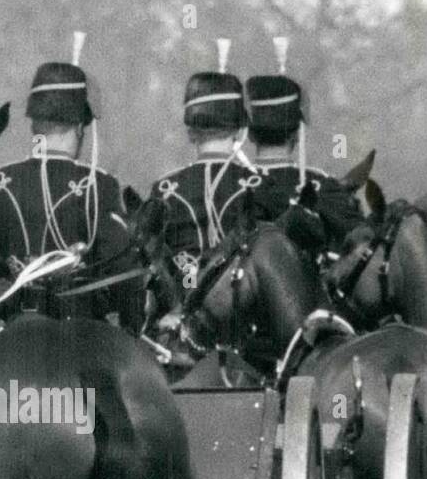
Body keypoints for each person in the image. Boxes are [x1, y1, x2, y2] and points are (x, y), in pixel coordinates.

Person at [0, 33, 143, 330]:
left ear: (34, 123)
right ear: (79, 127)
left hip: (7, 332)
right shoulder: (101, 186)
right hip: (79, 336)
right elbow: (125, 274)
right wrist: (133, 330)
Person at [146, 40, 264, 324]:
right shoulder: (261, 186)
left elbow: (153, 267)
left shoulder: (163, 189)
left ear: (190, 133)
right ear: (239, 131)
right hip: (248, 328)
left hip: (178, 326)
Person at [244, 68, 364, 256]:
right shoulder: (322, 186)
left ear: (250, 134)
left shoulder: (229, 187)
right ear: (296, 134)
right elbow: (363, 247)